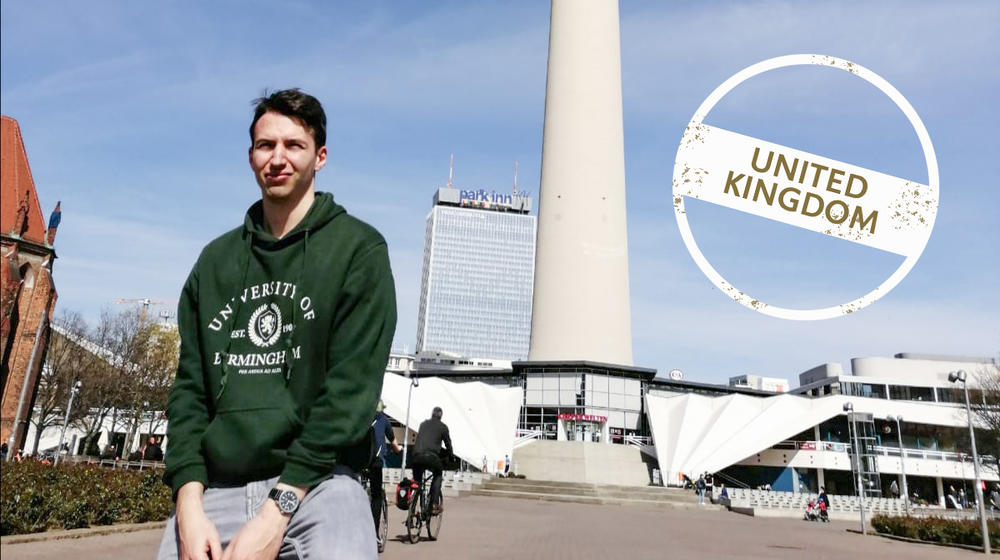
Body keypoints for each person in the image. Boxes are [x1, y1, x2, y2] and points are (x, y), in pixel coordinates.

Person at [157, 89, 397, 560]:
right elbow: (189, 393)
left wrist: (276, 512)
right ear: (251, 156)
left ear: (320, 157)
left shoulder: (358, 251)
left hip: (321, 484)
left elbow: (348, 396)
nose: (278, 158)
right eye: (266, 145)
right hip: (217, 490)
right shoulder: (215, 261)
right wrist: (188, 504)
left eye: (294, 145)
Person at [411, 407, 453, 514]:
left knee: (418, 482)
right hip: (431, 457)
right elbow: (448, 444)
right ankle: (434, 504)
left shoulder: (423, 424)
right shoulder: (443, 427)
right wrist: (451, 456)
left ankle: (412, 509)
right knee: (438, 474)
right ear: (440, 416)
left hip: (416, 456)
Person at [367, 400, 400, 536]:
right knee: (377, 496)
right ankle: (374, 533)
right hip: (375, 462)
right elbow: (393, 441)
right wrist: (398, 450)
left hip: (360, 462)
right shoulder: (384, 420)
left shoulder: (362, 417)